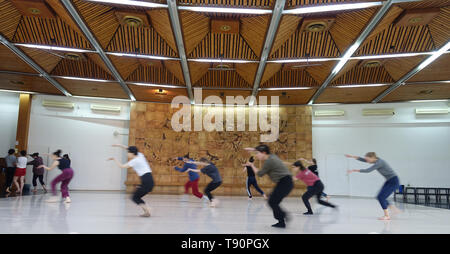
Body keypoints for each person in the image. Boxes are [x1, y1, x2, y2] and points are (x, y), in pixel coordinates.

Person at [244, 145, 293, 228]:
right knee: (272, 201)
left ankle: (284, 215)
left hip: (285, 182)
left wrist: (251, 165)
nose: (256, 155)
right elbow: (265, 148)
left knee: (272, 202)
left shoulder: (269, 161)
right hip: (285, 182)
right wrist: (253, 149)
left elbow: (260, 174)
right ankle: (281, 222)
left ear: (263, 153)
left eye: (257, 153)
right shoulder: (272, 156)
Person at [345, 152, 400, 220]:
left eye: (368, 160)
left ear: (372, 158)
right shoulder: (376, 160)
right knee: (379, 197)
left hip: (393, 181)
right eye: (367, 160)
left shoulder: (379, 163)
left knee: (381, 197)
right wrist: (352, 156)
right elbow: (363, 159)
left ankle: (387, 215)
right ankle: (393, 208)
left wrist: (355, 170)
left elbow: (368, 170)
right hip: (389, 180)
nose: (367, 161)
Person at [109, 144, 153, 217]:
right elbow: (128, 148)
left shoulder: (134, 161)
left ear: (132, 153)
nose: (127, 154)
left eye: (128, 152)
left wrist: (114, 159)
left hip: (146, 181)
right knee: (136, 197)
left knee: (135, 197)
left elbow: (122, 166)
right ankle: (147, 212)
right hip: (149, 180)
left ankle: (148, 209)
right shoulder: (140, 155)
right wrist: (118, 145)